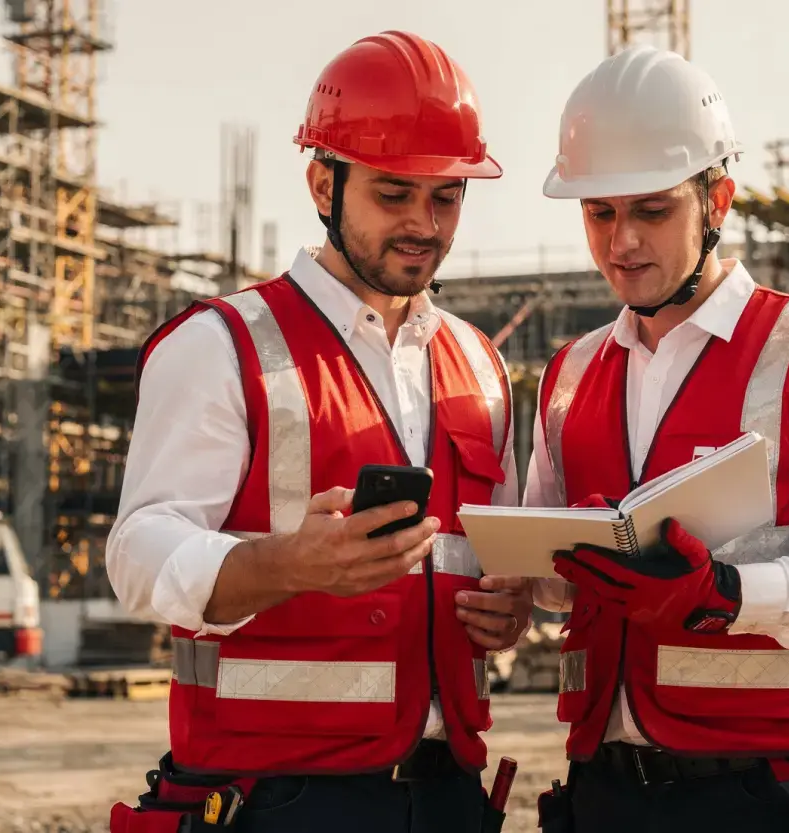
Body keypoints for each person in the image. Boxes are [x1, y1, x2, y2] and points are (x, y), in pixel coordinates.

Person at [104, 30, 533, 833]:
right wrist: (283, 563)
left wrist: (507, 613)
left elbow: (478, 559)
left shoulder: (479, 363)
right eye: (393, 193)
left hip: (447, 793)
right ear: (322, 185)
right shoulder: (222, 343)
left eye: (446, 196)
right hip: (275, 797)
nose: (423, 223)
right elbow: (136, 553)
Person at [526, 45, 789, 833]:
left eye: (652, 210)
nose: (622, 243)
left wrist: (732, 594)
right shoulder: (569, 375)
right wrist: (533, 574)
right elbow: (548, 586)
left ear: (718, 199)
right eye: (599, 212)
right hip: (605, 792)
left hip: (773, 791)